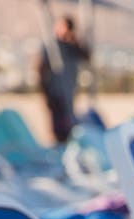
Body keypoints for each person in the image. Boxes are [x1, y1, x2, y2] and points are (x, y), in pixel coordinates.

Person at [36, 15, 89, 144]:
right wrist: (45, 91)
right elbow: (40, 68)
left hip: (69, 91)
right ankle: (59, 147)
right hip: (55, 92)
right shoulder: (51, 47)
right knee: (58, 125)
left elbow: (86, 56)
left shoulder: (73, 47)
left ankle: (67, 146)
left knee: (69, 123)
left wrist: (74, 39)